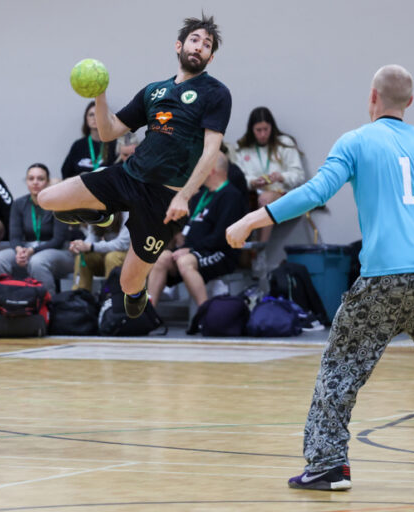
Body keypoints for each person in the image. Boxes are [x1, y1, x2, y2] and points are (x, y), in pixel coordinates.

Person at [226, 65, 414, 490]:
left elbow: (316, 192)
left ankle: (328, 465)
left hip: (383, 282)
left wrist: (252, 218)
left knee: (340, 369)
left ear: (372, 97)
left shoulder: (355, 141)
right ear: (410, 102)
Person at [37, 14, 232, 319]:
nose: (199, 47)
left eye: (206, 45)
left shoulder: (216, 93)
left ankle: (137, 289)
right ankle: (102, 214)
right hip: (128, 176)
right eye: (194, 40)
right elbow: (108, 132)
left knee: (128, 283)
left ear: (210, 56)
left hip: (165, 199)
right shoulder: (154, 91)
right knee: (47, 199)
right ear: (179, 45)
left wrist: (184, 196)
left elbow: (211, 152)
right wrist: (100, 93)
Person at [148, 150, 244, 307]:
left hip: (220, 253)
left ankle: (204, 313)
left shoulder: (231, 196)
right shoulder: (202, 195)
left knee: (185, 262)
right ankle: (147, 313)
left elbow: (222, 237)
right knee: (161, 258)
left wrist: (190, 250)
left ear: (211, 170)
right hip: (193, 250)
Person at [0, 163, 71, 291]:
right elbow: (14, 236)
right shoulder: (19, 204)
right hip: (27, 249)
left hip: (56, 251)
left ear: (48, 182)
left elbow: (58, 241)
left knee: (37, 262)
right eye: (31, 178)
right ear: (26, 181)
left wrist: (32, 251)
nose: (35, 182)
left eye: (40, 179)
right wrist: (19, 250)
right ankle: (5, 303)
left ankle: (47, 306)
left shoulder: (58, 204)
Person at [234, 106, 306, 242]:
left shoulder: (284, 144)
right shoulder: (242, 148)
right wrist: (252, 182)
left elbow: (298, 175)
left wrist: (281, 177)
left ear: (272, 127)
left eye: (266, 129)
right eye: (258, 130)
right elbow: (238, 176)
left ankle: (261, 248)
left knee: (266, 199)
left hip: (280, 193)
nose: (262, 134)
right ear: (251, 130)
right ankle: (238, 250)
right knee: (229, 198)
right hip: (252, 194)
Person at [69, 211, 130, 292]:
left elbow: (122, 244)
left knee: (112, 257)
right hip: (108, 258)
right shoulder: (96, 209)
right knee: (83, 256)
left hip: (131, 258)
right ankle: (80, 297)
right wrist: (80, 245)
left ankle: (110, 297)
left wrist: (91, 246)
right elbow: (92, 238)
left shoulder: (127, 212)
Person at [61, 101, 118, 179]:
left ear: (106, 117)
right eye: (91, 115)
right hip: (80, 188)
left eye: (98, 114)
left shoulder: (115, 144)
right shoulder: (78, 145)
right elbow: (66, 173)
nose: (95, 118)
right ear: (86, 119)